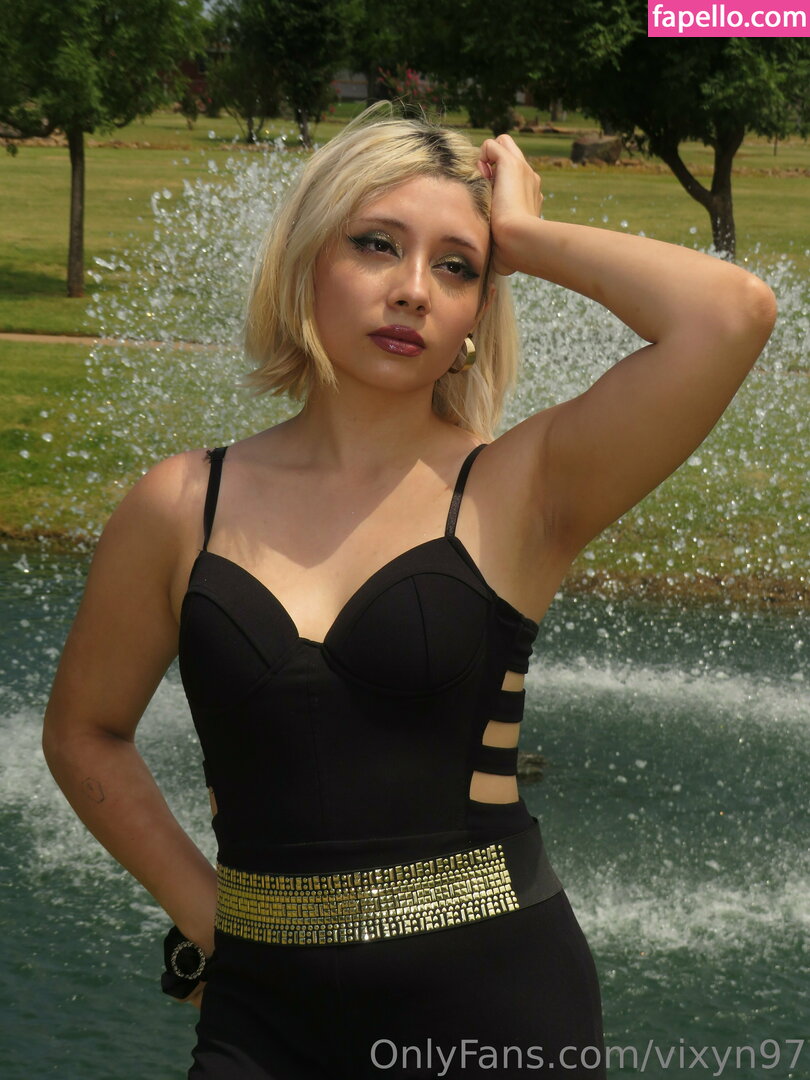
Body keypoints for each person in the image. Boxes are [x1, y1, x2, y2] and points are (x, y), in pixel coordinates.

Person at [42, 105, 776, 1079]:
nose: (413, 290)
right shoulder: (182, 504)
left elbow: (731, 314)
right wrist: (207, 915)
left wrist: (525, 237)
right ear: (306, 259)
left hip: (495, 1012)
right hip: (260, 1023)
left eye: (458, 266)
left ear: (478, 312)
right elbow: (85, 732)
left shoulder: (520, 489)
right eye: (377, 245)